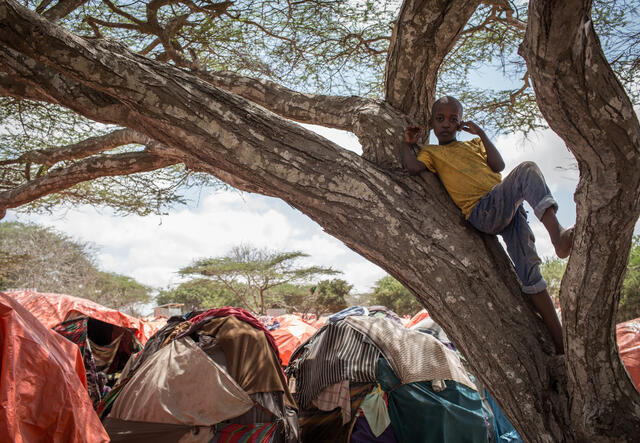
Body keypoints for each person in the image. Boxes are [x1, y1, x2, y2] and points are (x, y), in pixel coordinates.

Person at [401, 96, 573, 354]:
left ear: (460, 125)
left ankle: (560, 342)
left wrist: (480, 134)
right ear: (431, 124)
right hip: (483, 209)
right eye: (440, 119)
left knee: (530, 271)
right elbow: (413, 167)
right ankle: (558, 238)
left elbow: (499, 165)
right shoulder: (432, 153)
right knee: (526, 170)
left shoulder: (473, 145)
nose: (446, 124)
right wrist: (407, 144)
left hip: (508, 208)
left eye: (453, 120)